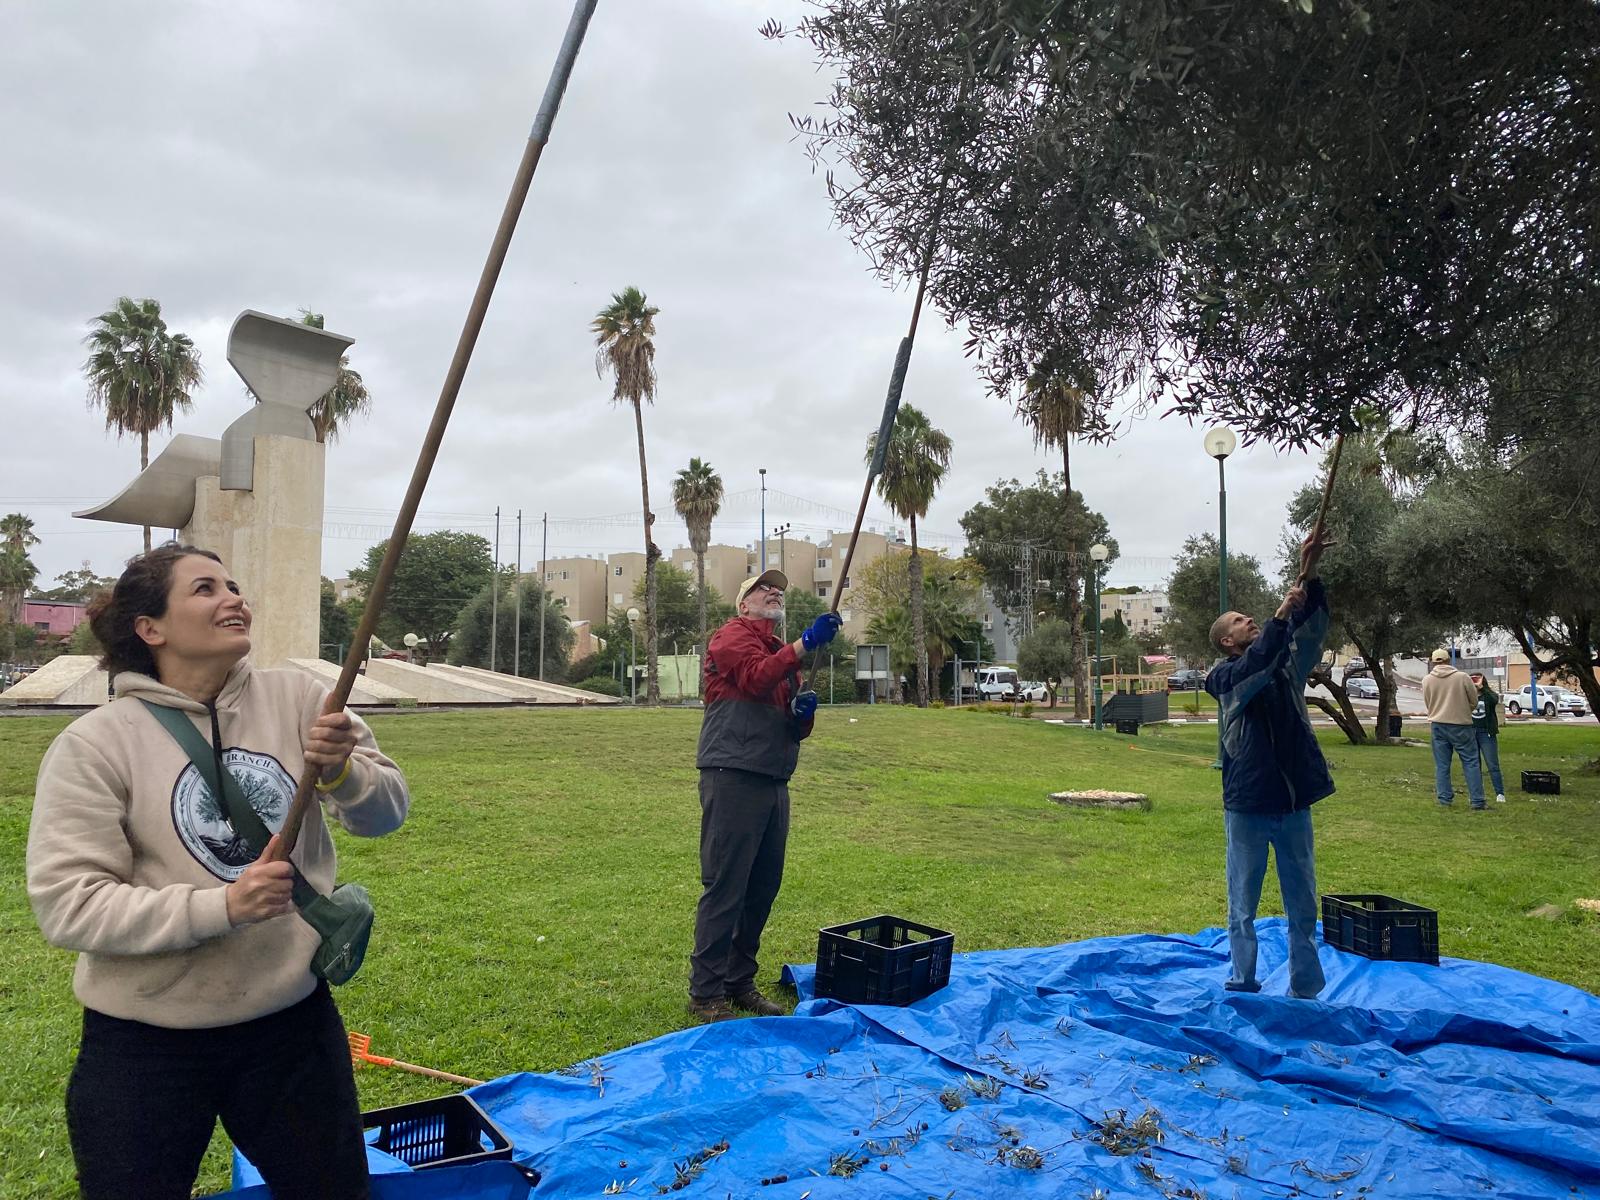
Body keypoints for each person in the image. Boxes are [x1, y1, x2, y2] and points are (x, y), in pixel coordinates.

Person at [26, 544, 409, 1199]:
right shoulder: (95, 746)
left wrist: (345, 771)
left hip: (290, 1028)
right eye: (206, 589)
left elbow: (385, 814)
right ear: (152, 628)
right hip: (144, 1044)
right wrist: (222, 908)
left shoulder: (301, 698)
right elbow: (70, 904)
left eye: (233, 585)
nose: (235, 598)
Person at [688, 568, 840, 1023]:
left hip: (774, 777)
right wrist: (807, 645)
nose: (773, 592)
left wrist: (802, 716)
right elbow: (755, 679)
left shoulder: (781, 654)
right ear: (743, 604)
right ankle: (705, 992)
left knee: (762, 887)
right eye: (762, 589)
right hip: (732, 773)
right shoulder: (729, 638)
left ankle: (738, 981)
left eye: (777, 590)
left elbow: (792, 725)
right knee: (727, 884)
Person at [1204, 530, 1334, 1001]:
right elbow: (1256, 664)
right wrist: (1280, 616)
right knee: (1244, 903)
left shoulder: (1284, 668)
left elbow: (1312, 630)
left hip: (1294, 800)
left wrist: (1310, 572)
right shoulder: (1223, 678)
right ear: (1225, 641)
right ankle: (1243, 981)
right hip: (1248, 804)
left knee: (1303, 903)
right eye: (1240, 620)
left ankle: (1306, 987)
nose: (1249, 619)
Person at [1421, 648, 1487, 809]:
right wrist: (1464, 710)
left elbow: (1428, 702)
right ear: (1448, 660)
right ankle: (1477, 801)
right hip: (1461, 724)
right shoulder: (1462, 677)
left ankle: (1444, 799)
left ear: (1432, 661)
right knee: (1471, 762)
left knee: (1442, 765)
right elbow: (1473, 700)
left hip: (1438, 725)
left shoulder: (1427, 680)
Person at [1469, 671, 1507, 803]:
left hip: (1486, 732)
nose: (1474, 681)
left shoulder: (1488, 695)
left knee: (1492, 764)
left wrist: (1482, 688)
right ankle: (1477, 793)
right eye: (1472, 679)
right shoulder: (1467, 695)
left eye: (1477, 679)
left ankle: (1500, 793)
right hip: (1471, 732)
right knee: (1474, 764)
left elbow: (1494, 699)